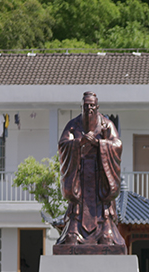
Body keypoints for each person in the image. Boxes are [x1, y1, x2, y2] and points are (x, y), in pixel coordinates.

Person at [57, 91, 125, 248]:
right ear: (81, 107)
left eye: (92, 105)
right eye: (86, 106)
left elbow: (117, 144)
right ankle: (75, 229)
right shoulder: (73, 125)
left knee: (107, 239)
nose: (89, 109)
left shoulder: (106, 124)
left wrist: (99, 144)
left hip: (100, 177)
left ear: (97, 107)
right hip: (80, 177)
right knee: (71, 239)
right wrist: (78, 143)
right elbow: (63, 145)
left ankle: (105, 228)